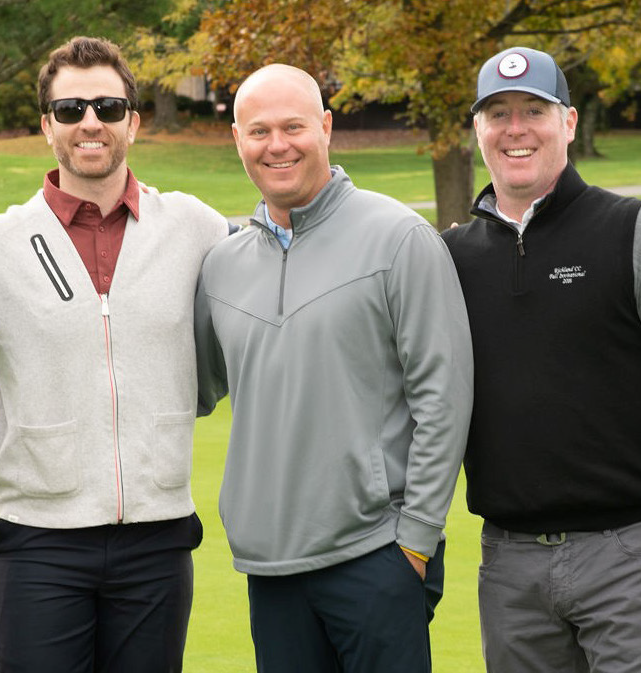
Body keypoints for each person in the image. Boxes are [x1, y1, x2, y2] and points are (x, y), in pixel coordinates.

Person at [0, 36, 229, 672]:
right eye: (70, 110)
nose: (90, 122)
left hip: (158, 539)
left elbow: (276, 298)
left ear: (134, 122)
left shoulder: (197, 229)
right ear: (47, 126)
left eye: (108, 107)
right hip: (36, 544)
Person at [441, 46, 641, 672]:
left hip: (631, 557)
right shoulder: (451, 257)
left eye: (533, 111)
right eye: (498, 114)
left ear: (568, 123)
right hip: (509, 564)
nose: (515, 129)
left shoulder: (638, 231)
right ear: (478, 130)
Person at [194, 63, 474, 672]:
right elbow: (193, 387)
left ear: (325, 127)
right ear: (236, 139)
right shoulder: (221, 265)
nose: (277, 145)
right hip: (270, 567)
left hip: (378, 556)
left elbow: (444, 399)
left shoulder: (398, 238)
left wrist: (417, 541)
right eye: (258, 130)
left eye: (293, 126)